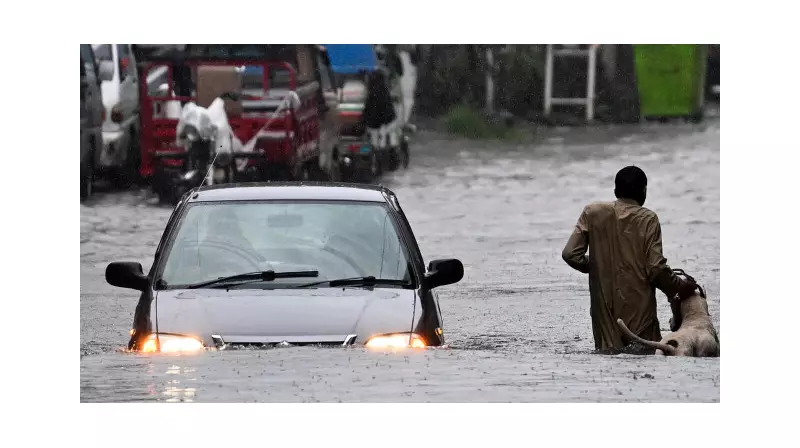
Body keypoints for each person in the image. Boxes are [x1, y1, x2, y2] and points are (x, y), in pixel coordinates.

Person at [561, 166, 698, 354]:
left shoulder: (592, 213)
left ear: (616, 190)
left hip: (604, 320)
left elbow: (570, 254)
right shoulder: (648, 219)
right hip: (641, 320)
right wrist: (680, 288)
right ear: (643, 191)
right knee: (647, 358)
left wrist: (598, 265)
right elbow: (656, 269)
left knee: (608, 362)